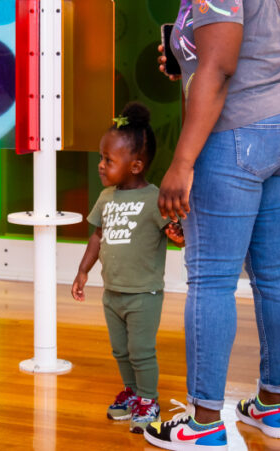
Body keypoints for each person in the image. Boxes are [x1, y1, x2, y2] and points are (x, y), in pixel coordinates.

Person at [143, 0, 280, 450]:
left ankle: (203, 422)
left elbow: (217, 70)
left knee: (211, 279)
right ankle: (271, 406)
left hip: (236, 136)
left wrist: (181, 163)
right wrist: (185, 59)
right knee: (275, 272)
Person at [71, 102, 167, 435]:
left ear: (136, 165)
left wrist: (178, 232)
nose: (101, 165)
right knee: (120, 350)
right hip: (112, 293)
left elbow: (178, 236)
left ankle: (149, 400)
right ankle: (132, 393)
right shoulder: (107, 197)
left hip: (143, 294)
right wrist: (83, 271)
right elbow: (97, 236)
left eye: (108, 160)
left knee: (141, 351)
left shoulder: (155, 200)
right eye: (102, 157)